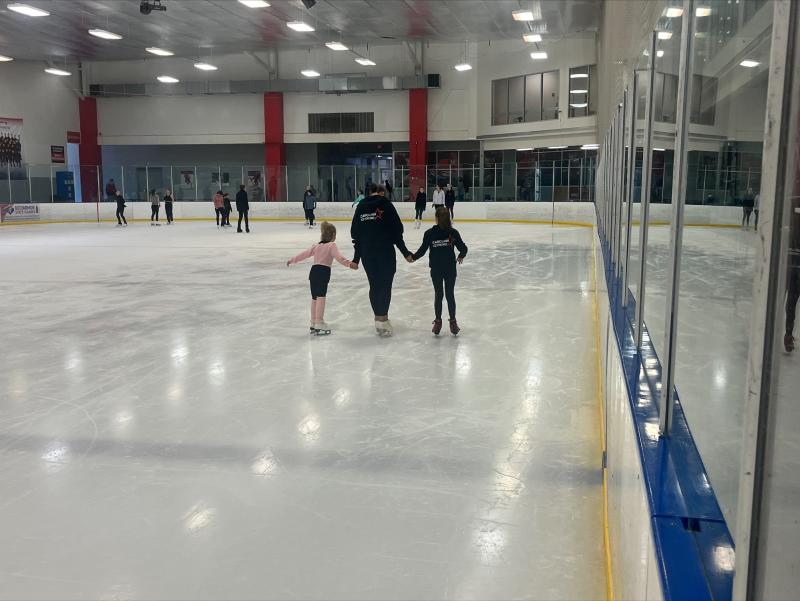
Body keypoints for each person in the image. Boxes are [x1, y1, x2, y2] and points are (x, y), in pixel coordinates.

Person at [351, 184, 413, 337]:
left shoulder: (360, 207)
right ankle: (383, 319)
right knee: (385, 285)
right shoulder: (386, 205)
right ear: (381, 193)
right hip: (385, 252)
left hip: (367, 253)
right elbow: (397, 232)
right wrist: (405, 253)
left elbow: (356, 235)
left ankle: (378, 320)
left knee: (374, 285)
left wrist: (356, 258)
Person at [288, 221, 358, 335]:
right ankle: (319, 322)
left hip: (313, 273)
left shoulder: (316, 246)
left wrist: (292, 260)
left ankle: (313, 322)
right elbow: (339, 258)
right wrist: (350, 264)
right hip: (323, 273)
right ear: (333, 235)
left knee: (314, 298)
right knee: (321, 297)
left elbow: (304, 254)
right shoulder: (332, 245)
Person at [410, 206, 468, 336]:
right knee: (449, 294)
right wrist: (461, 256)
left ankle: (438, 322)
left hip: (436, 269)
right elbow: (463, 248)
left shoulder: (430, 233)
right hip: (449, 269)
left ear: (436, 218)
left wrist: (411, 257)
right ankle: (452, 322)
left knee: (439, 294)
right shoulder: (453, 233)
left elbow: (422, 251)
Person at [785, 196, 800, 352]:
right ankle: (788, 335)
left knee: (791, 302)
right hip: (792, 264)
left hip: (791, 263)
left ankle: (788, 334)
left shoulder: (792, 203)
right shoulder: (793, 202)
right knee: (791, 301)